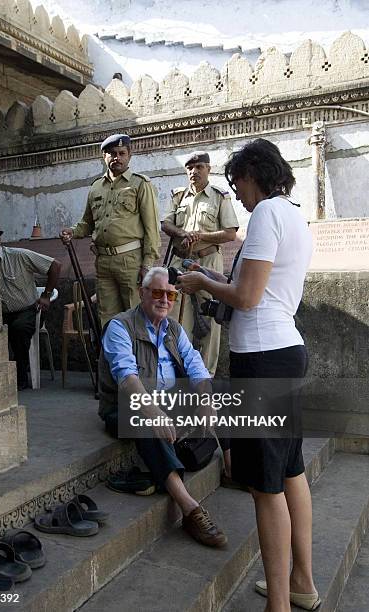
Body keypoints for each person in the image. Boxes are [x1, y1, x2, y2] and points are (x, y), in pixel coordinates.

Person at [176, 139, 320, 612]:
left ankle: (278, 604)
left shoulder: (265, 216)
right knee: (291, 470)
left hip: (261, 359)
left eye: (238, 182)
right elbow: (260, 290)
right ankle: (302, 581)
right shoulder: (295, 214)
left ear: (256, 174)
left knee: (264, 486)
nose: (236, 193)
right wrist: (217, 283)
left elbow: (248, 297)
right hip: (285, 351)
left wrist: (200, 282)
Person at [98, 266, 227, 548]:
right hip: (126, 406)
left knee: (223, 396)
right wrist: (154, 412)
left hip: (168, 402)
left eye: (171, 295)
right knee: (144, 421)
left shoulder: (174, 329)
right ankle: (190, 508)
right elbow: (127, 377)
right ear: (142, 293)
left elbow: (197, 368)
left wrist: (205, 401)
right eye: (157, 292)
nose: (165, 300)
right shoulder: (120, 326)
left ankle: (227, 469)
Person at [60, 133, 161, 327]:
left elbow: (152, 228)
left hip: (130, 260)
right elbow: (87, 223)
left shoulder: (140, 184)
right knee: (107, 319)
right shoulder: (96, 187)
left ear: (129, 155)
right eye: (112, 153)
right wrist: (72, 232)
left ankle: (136, 357)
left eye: (122, 153)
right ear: (104, 156)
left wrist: (147, 265)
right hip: (103, 262)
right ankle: (113, 357)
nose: (117, 158)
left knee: (135, 315)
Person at [161, 151, 238, 376]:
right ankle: (178, 370)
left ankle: (206, 374)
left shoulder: (219, 196)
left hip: (208, 260)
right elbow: (166, 224)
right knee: (174, 315)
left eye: (199, 167)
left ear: (208, 169)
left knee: (211, 317)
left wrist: (201, 236)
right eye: (190, 168)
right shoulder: (178, 196)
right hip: (179, 260)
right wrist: (183, 233)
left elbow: (231, 233)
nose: (194, 172)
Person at [0, 220, 61, 391]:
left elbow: (55, 265)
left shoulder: (18, 255)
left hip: (27, 310)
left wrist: (46, 296)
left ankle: (21, 377)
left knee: (18, 329)